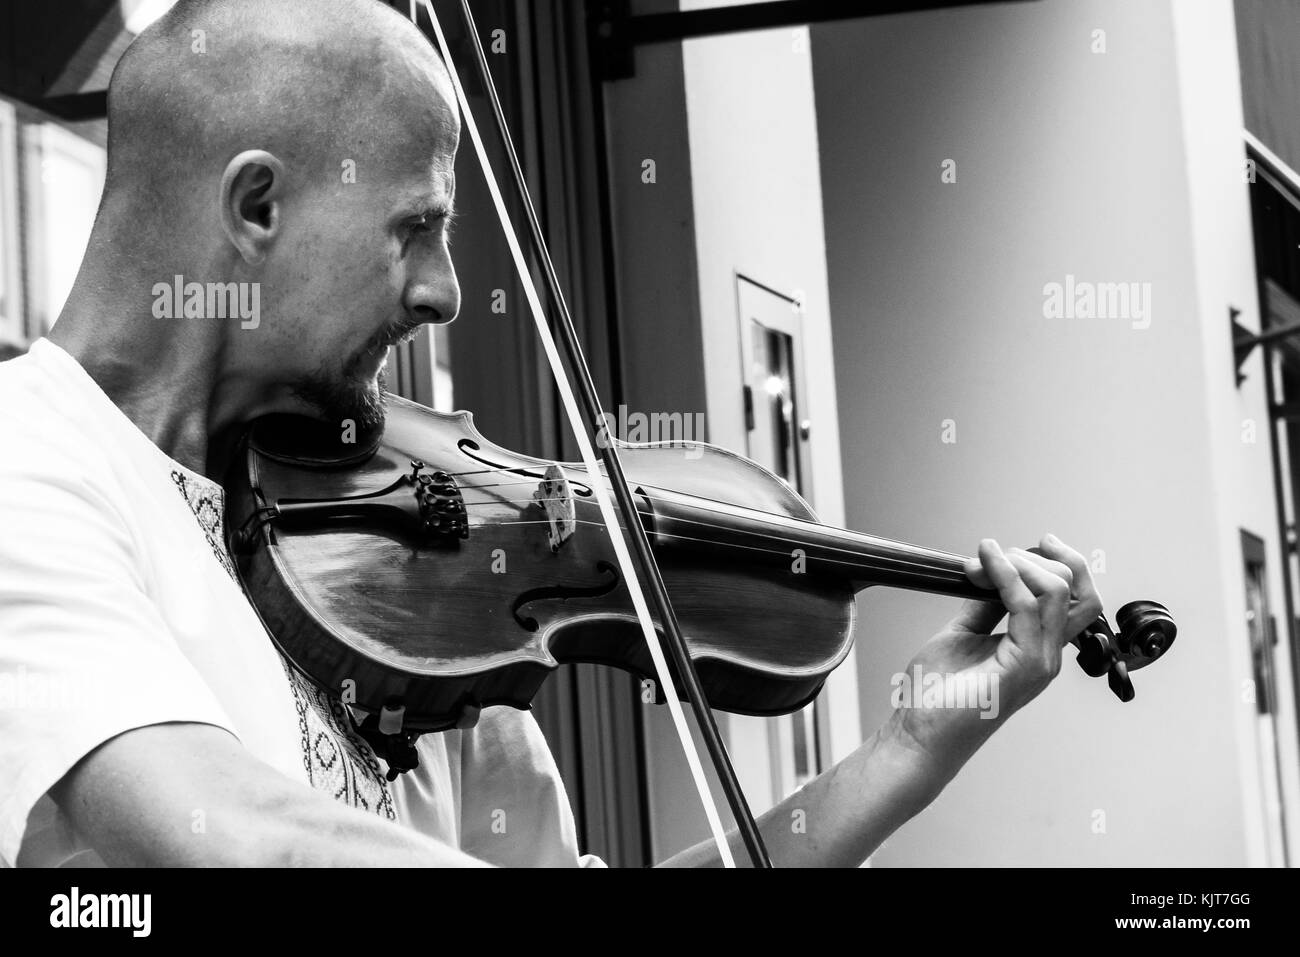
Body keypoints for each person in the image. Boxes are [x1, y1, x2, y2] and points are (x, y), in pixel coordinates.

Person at [0, 0, 1102, 867]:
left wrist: (911, 751)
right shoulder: (33, 468)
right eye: (416, 229)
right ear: (255, 208)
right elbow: (234, 838)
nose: (443, 292)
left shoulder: (420, 600)